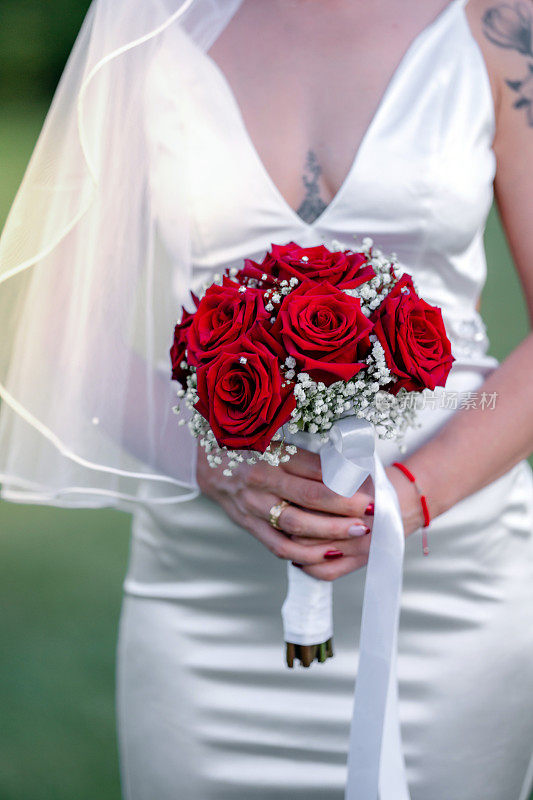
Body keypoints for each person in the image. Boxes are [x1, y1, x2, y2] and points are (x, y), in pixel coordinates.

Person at [1, 0, 533, 798]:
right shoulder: (147, 23)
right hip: (206, 600)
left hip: (448, 590)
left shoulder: (496, 24)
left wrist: (405, 500)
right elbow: (60, 327)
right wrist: (219, 470)